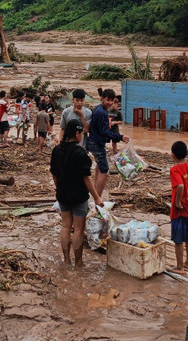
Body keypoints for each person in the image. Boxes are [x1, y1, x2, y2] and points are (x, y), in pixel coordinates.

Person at [50, 119, 103, 267]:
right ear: (77, 133)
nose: (82, 136)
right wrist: (97, 198)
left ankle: (66, 260)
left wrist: (59, 188)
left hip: (62, 195)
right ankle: (78, 263)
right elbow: (86, 177)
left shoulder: (57, 150)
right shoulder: (80, 153)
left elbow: (54, 175)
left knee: (66, 226)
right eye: (81, 133)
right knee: (78, 229)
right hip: (79, 196)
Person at [87, 88, 130, 199]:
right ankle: (97, 198)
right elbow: (105, 131)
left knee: (99, 166)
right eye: (108, 100)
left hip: (93, 141)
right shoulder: (102, 112)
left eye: (112, 100)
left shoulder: (99, 109)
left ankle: (95, 194)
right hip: (96, 143)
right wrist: (120, 137)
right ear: (102, 98)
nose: (110, 103)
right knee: (105, 171)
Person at [169, 140, 188, 274]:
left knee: (178, 239)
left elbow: (180, 185)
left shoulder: (174, 169)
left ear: (173, 155)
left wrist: (177, 202)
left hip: (179, 211)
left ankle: (180, 267)